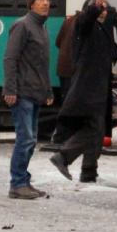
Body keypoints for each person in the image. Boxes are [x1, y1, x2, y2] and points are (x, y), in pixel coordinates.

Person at [50, 0, 117, 183]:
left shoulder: (103, 28)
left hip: (97, 86)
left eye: (105, 9)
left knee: (95, 127)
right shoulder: (84, 25)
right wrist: (95, 7)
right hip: (88, 87)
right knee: (94, 129)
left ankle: (88, 170)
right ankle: (64, 157)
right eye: (101, 9)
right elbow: (86, 19)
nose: (104, 12)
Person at [2, 0, 54, 200]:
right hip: (22, 92)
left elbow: (42, 64)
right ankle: (17, 183)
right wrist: (10, 89)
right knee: (25, 139)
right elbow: (10, 58)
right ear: (31, 4)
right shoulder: (22, 25)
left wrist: (48, 90)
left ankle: (23, 180)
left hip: (35, 91)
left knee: (31, 140)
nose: (46, 2)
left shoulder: (42, 28)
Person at [50, 10, 77, 145]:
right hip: (73, 71)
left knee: (66, 102)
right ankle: (62, 136)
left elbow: (58, 42)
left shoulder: (68, 21)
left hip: (63, 69)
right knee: (71, 104)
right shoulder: (85, 24)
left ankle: (61, 136)